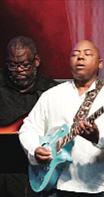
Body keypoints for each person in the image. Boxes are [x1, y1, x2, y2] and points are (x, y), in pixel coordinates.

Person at [0, 36, 59, 197]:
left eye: (24, 65)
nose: (18, 70)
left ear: (36, 61)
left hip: (35, 173)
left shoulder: (52, 91)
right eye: (12, 65)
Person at [19, 40, 104, 197]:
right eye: (75, 54)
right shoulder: (52, 95)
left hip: (97, 187)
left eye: (87, 54)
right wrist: (35, 150)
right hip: (57, 185)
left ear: (100, 63)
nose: (80, 58)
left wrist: (97, 139)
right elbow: (28, 128)